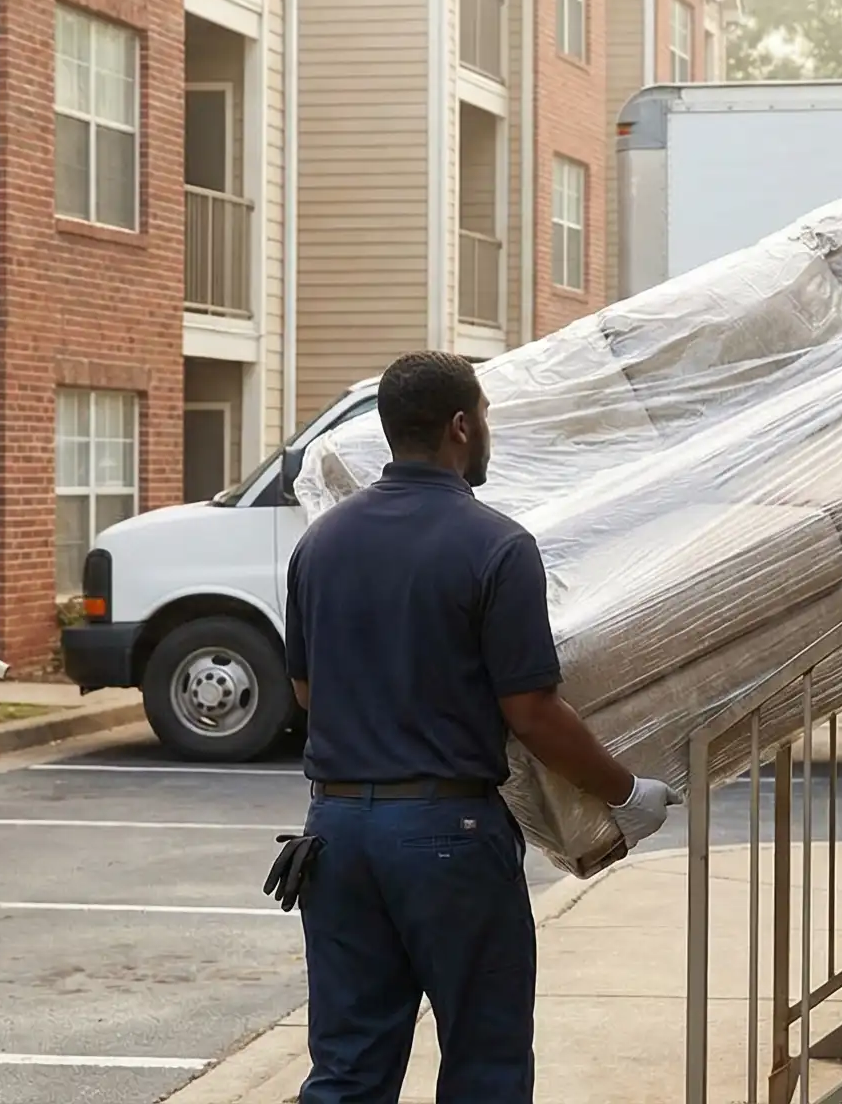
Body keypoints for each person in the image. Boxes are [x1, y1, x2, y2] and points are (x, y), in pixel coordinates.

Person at [284, 351, 678, 1103]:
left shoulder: (322, 543)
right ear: (461, 427)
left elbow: (307, 691)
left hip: (333, 835)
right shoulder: (495, 544)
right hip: (446, 835)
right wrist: (625, 794)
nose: (488, 431)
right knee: (484, 1063)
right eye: (486, 417)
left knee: (348, 1067)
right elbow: (530, 711)